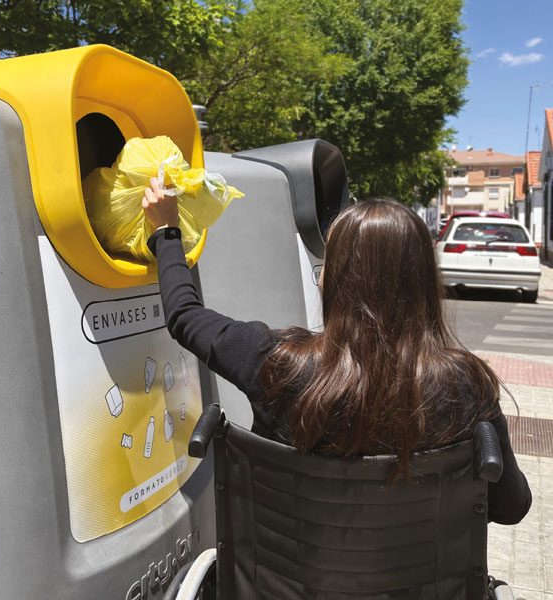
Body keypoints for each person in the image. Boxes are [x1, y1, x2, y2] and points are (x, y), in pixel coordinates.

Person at [142, 178, 531, 525]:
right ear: (424, 283)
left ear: (340, 277)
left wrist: (166, 232)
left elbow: (184, 316)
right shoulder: (464, 383)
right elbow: (511, 506)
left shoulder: (275, 362)